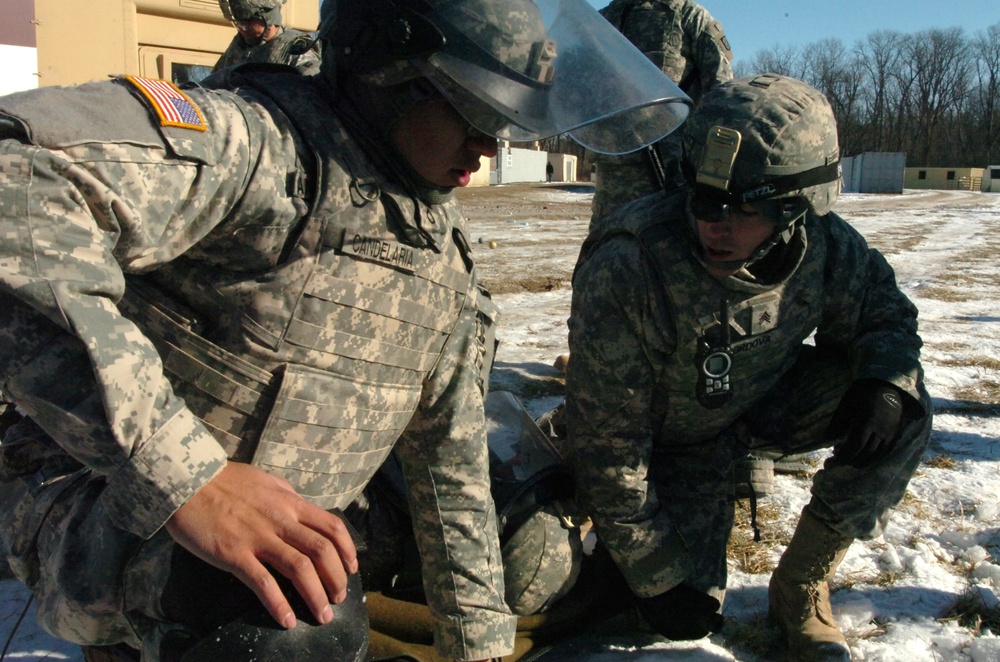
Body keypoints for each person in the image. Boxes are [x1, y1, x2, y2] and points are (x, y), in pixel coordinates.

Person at [0, 0, 690, 660]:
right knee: (290, 626)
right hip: (100, 495)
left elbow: (450, 470)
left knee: (523, 548)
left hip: (281, 502)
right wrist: (189, 479)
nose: (491, 143)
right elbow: (14, 169)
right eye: (477, 111)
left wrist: (475, 646)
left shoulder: (434, 250)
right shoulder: (264, 153)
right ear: (389, 75)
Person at [566, 74, 932, 661]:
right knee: (680, 613)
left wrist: (884, 382)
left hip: (760, 405)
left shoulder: (824, 244)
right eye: (705, 200)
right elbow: (607, 441)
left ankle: (801, 585)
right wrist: (653, 569)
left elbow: (884, 315)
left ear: (797, 207)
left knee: (903, 403)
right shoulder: (633, 263)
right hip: (667, 446)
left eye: (745, 208)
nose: (716, 224)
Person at [591, 0, 734, 225]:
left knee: (668, 249)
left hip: (670, 171)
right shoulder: (602, 20)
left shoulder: (690, 17)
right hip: (614, 170)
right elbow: (575, 81)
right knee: (607, 248)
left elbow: (722, 93)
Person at [213, 0, 321, 75]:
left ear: (268, 19)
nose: (243, 28)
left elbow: (309, 94)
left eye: (249, 22)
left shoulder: (296, 49)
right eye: (238, 23)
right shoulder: (237, 49)